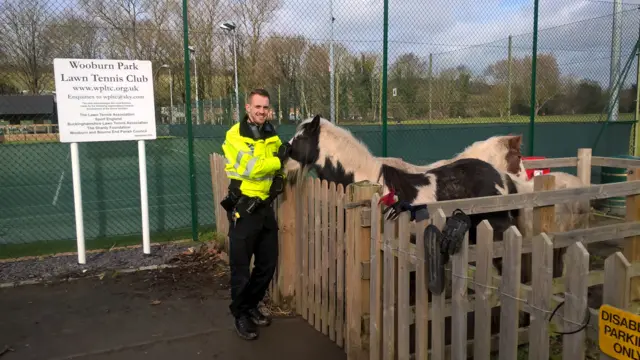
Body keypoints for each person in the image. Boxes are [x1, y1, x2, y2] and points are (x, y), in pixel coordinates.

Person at [220, 88, 291, 340]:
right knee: (241, 268)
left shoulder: (271, 134)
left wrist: (280, 177)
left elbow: (279, 165)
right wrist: (278, 162)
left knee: (267, 264)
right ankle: (240, 314)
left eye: (265, 107)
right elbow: (252, 168)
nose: (262, 111)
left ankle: (251, 305)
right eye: (257, 107)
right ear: (247, 108)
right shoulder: (235, 135)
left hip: (264, 209)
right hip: (244, 210)